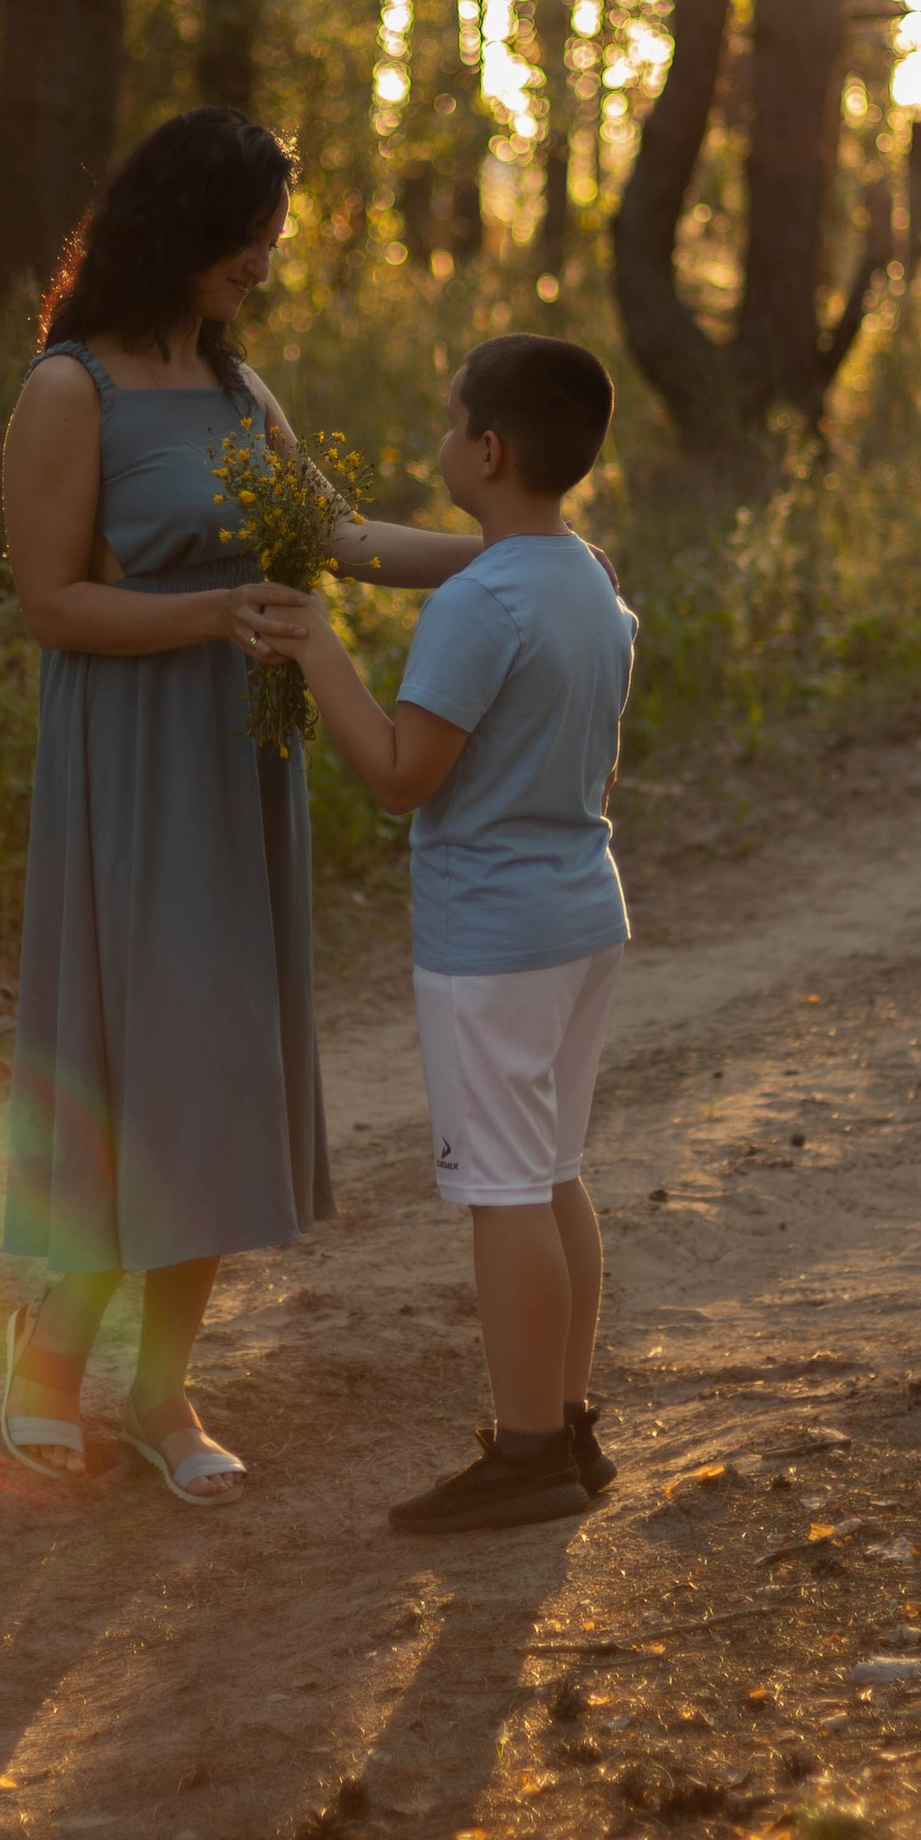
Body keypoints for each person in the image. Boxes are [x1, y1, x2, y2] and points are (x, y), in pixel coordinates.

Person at [0, 108, 481, 1506]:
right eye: (246, 233)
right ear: (181, 227)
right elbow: (49, 602)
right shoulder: (69, 389)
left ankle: (158, 1393)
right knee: (126, 1056)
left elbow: (344, 539)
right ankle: (49, 1357)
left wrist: (523, 550)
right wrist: (210, 611)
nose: (264, 259)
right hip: (125, 764)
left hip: (233, 762)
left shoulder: (234, 388)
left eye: (269, 235)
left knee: (208, 1066)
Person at [280, 333, 636, 1534]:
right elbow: (373, 545)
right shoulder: (584, 578)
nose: (437, 442)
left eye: (447, 423)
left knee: (503, 1193)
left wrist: (314, 644)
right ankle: (569, 1426)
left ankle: (528, 1449)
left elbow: (397, 775)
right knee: (550, 1176)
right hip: (582, 913)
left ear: (485, 452)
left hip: (494, 940)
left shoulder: (480, 605)